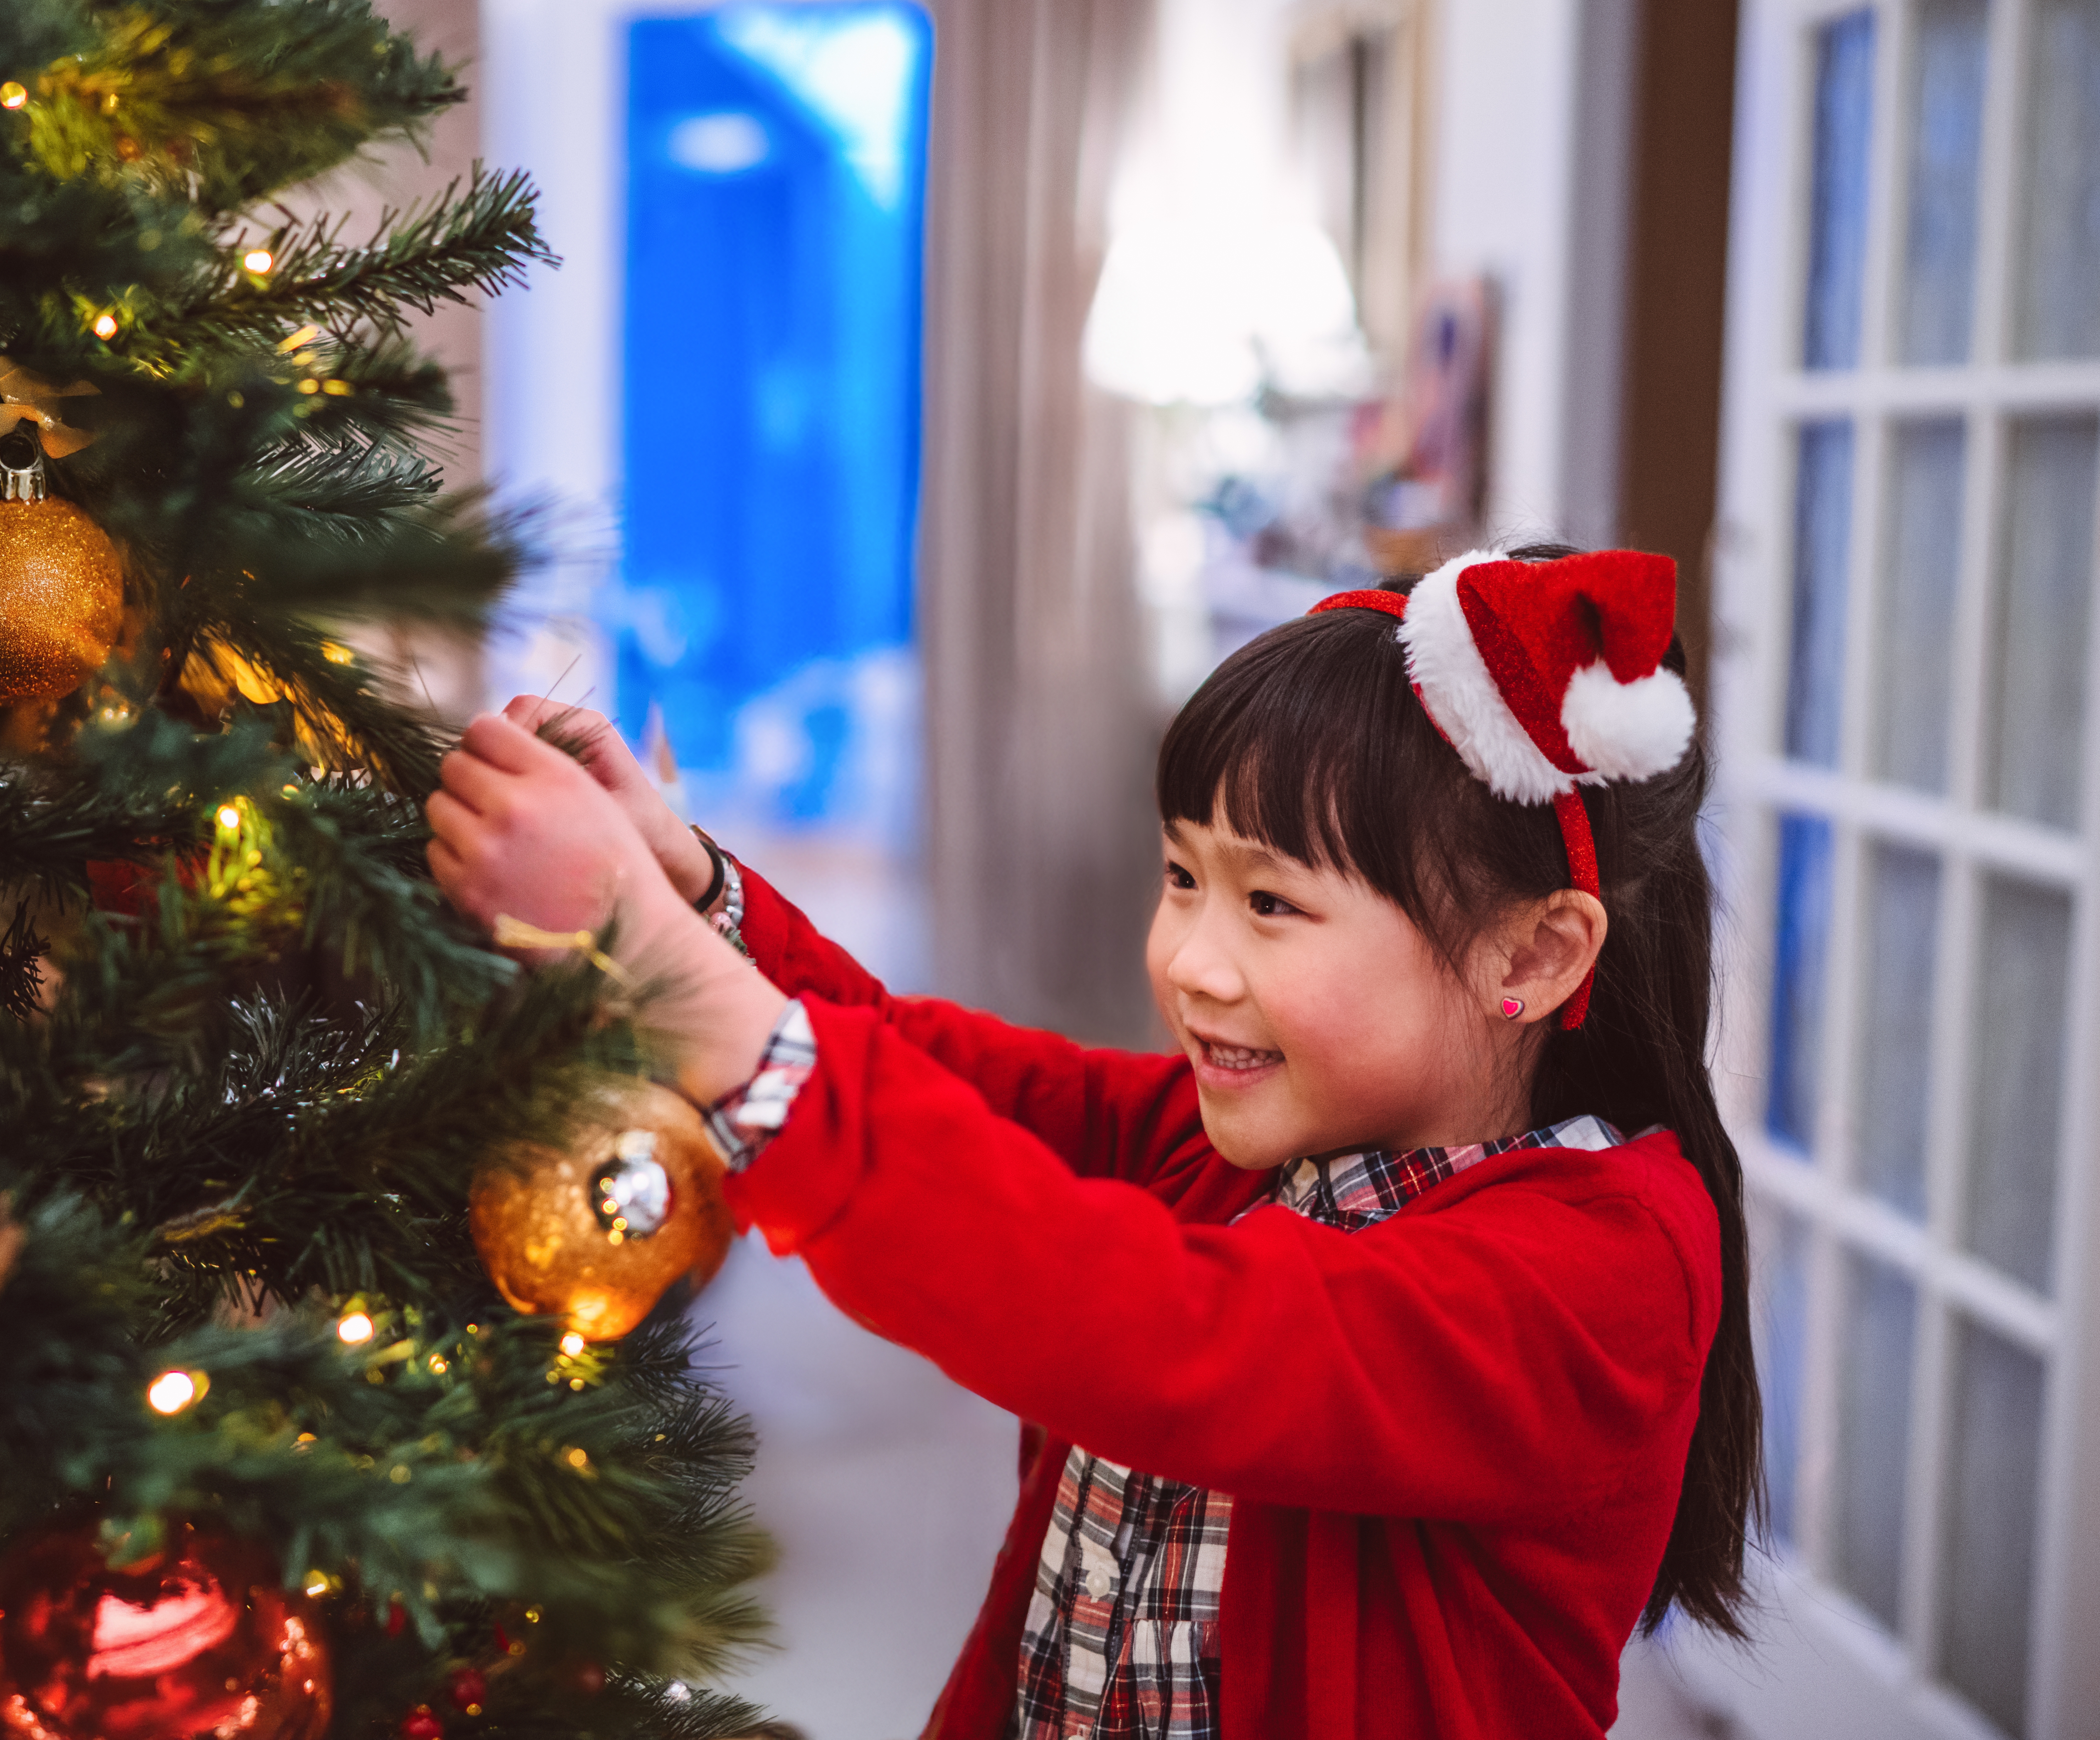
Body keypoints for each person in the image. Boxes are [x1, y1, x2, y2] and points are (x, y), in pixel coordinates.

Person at [424, 546, 1757, 1740]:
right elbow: (942, 1073)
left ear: (1529, 951)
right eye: (1182, 877)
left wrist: (658, 975)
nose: (1188, 962)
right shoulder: (1251, 1146)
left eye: (1271, 903)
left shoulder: (1604, 1274)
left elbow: (1157, 1331)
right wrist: (692, 894)